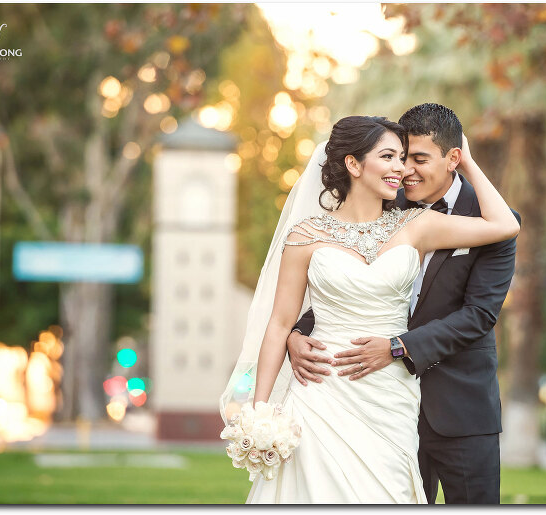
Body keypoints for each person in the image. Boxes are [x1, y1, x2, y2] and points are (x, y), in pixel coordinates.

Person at [220, 113, 519, 503]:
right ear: (353, 164)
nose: (403, 169)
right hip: (321, 391)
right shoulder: (306, 235)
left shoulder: (417, 224)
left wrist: (467, 162)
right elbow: (281, 322)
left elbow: (505, 227)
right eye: (392, 157)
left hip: (394, 397)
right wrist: (261, 408)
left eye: (409, 158)